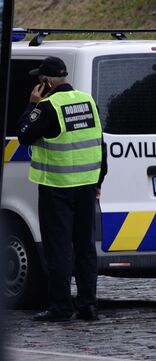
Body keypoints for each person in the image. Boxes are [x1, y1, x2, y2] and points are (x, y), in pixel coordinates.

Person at [17, 56, 107, 321]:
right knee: (85, 247)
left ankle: (61, 307)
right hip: (87, 186)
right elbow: (99, 143)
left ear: (46, 81)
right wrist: (99, 181)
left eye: (39, 79)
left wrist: (32, 105)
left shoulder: (47, 106)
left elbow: (24, 134)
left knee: (58, 249)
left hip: (57, 188)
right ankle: (88, 305)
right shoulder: (88, 101)